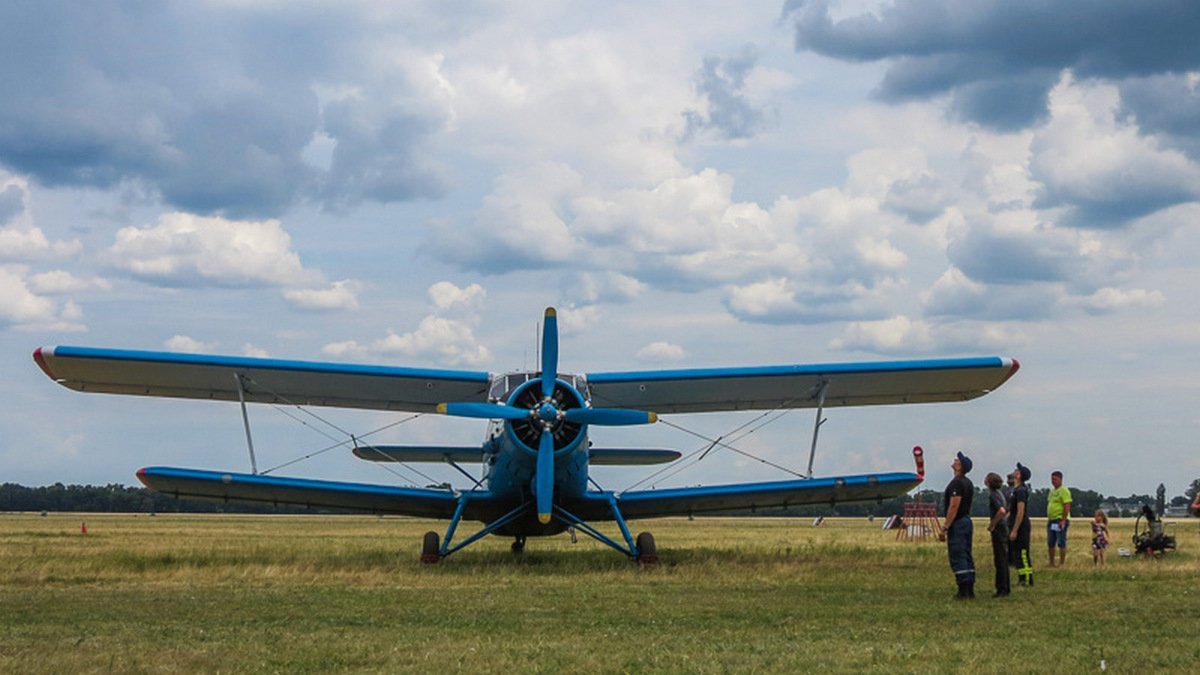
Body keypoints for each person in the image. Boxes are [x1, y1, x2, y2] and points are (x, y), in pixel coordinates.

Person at [939, 451, 976, 599]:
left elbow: (954, 506)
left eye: (957, 460)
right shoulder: (968, 482)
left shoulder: (957, 483)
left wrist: (945, 527)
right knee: (966, 554)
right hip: (966, 521)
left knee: (958, 554)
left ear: (960, 467)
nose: (954, 460)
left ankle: (963, 591)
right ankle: (970, 588)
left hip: (958, 523)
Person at [985, 472, 1010, 597]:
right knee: (1003, 558)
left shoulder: (993, 495)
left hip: (999, 529)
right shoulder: (1000, 493)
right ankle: (1005, 586)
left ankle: (1002, 588)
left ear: (989, 482)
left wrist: (992, 524)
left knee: (1000, 559)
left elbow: (1001, 511)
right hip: (1004, 528)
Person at [1008, 462, 1033, 586]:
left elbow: (1020, 511)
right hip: (1014, 524)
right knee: (1016, 553)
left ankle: (1026, 578)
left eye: (1017, 470)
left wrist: (1015, 530)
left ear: (1019, 475)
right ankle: (1021, 577)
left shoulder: (1021, 491)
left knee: (1023, 553)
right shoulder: (1015, 490)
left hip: (1021, 526)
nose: (1014, 471)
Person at [1047, 470, 1073, 567]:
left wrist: (1063, 520)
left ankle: (1061, 563)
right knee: (1050, 542)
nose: (1053, 481)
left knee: (1061, 542)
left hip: (1059, 520)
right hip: (1051, 519)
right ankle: (1051, 562)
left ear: (1060, 479)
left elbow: (1067, 505)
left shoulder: (1064, 491)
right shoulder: (1052, 491)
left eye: (1055, 479)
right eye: (1052, 479)